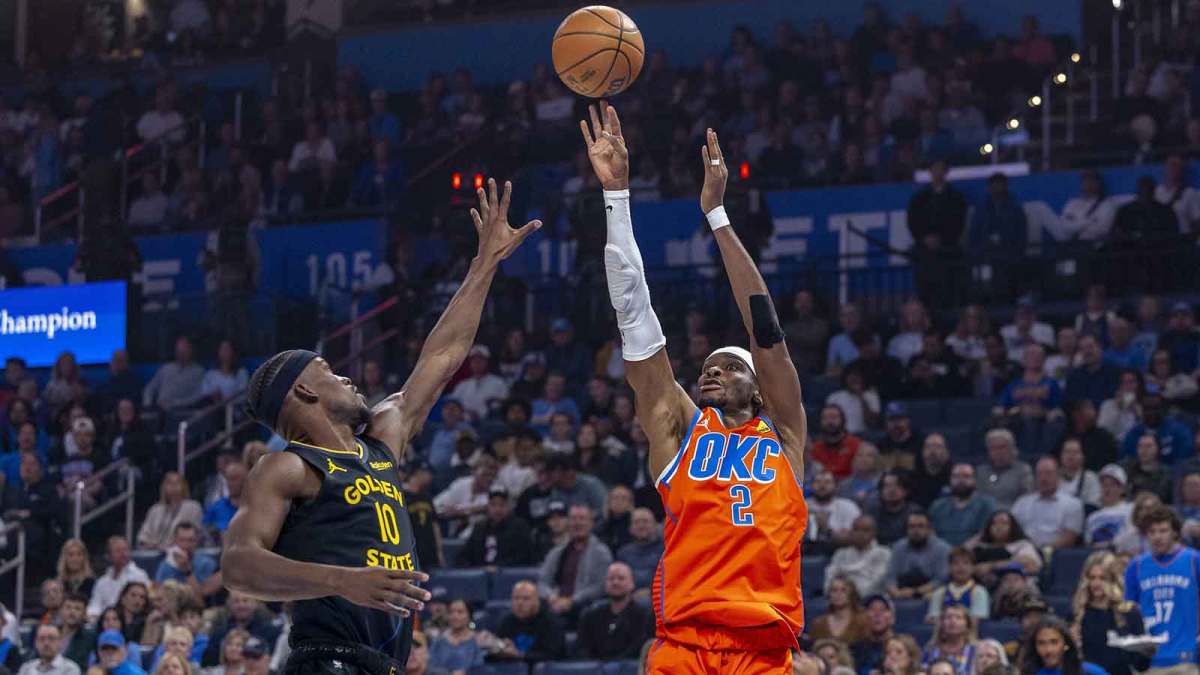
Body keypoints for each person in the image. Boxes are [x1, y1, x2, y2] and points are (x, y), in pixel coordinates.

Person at [221, 176, 540, 672]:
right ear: (303, 391)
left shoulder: (381, 441)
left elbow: (443, 355)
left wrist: (485, 264)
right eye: (328, 370)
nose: (346, 376)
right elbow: (238, 564)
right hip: (326, 660)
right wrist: (339, 580)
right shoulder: (287, 468)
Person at [583, 104, 808, 672]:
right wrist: (617, 198)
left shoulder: (783, 435)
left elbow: (766, 329)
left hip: (763, 647)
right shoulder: (683, 430)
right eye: (707, 365)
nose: (711, 371)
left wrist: (716, 215)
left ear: (758, 390)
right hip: (684, 645)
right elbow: (636, 320)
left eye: (729, 367)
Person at [1123, 506, 1200, 675]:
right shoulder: (1136, 567)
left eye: (1163, 530)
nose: (1157, 537)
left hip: (1187, 658)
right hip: (1150, 662)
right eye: (1152, 532)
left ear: (1175, 532)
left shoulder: (1194, 560)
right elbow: (1130, 611)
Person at [1072, 552, 1147, 675]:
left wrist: (1146, 651)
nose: (1096, 584)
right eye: (1092, 578)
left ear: (1114, 579)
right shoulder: (1078, 613)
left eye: (1102, 578)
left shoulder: (1130, 613)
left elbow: (1141, 665)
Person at [906, 159, 968, 307]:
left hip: (948, 251)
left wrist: (942, 239)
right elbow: (913, 222)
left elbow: (959, 222)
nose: (938, 173)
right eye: (935, 169)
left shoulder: (955, 198)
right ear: (930, 171)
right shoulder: (919, 198)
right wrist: (924, 238)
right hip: (924, 253)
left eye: (941, 169)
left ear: (946, 172)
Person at [536, 504, 612, 622]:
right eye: (573, 519)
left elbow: (601, 587)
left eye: (582, 519)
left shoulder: (601, 552)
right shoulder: (557, 552)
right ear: (568, 523)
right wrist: (551, 597)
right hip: (555, 604)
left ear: (591, 523)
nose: (577, 523)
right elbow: (542, 582)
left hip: (584, 607)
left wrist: (572, 601)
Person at [577, 562, 655, 659]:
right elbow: (582, 648)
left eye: (621, 578)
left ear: (632, 584)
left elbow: (639, 648)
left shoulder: (644, 616)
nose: (615, 582)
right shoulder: (590, 616)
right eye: (611, 579)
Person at [1012, 456, 1084, 548]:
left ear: (1058, 475)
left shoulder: (1073, 504)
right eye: (1040, 474)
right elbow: (1012, 532)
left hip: (1056, 555)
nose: (1043, 478)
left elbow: (1069, 538)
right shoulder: (1021, 503)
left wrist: (1042, 550)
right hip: (1023, 553)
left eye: (1048, 473)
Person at [491, 581, 566, 663]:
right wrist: (498, 646)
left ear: (537, 601)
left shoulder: (552, 622)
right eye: (516, 598)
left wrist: (520, 654)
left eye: (526, 599)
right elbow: (496, 650)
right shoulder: (506, 621)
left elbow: (553, 656)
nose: (520, 603)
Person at [459, 487, 534, 567]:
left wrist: (500, 567)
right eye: (493, 505)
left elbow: (525, 556)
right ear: (488, 507)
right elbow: (465, 555)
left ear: (508, 507)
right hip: (481, 574)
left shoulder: (520, 527)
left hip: (508, 575)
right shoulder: (479, 528)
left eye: (502, 505)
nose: (497, 509)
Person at [886, 510, 951, 600]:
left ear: (929, 529)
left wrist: (916, 592)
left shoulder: (942, 548)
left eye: (921, 526)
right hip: (901, 592)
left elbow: (941, 579)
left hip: (929, 593)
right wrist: (896, 593)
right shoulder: (898, 547)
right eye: (912, 527)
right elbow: (890, 577)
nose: (916, 531)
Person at [930, 464, 996, 546]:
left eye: (966, 476)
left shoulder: (986, 504)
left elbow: (984, 533)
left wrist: (962, 551)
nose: (960, 480)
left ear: (975, 480)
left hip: (975, 553)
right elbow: (931, 532)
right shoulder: (938, 506)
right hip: (941, 553)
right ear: (950, 480)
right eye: (956, 476)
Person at [825, 515, 891, 597]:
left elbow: (877, 583)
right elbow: (829, 579)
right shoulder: (840, 554)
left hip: (871, 599)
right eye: (856, 529)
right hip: (842, 598)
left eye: (865, 530)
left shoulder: (883, 553)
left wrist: (845, 572)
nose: (860, 534)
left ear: (874, 533)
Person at [137, 472, 204, 551]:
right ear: (163, 487)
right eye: (169, 483)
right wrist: (154, 546)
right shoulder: (155, 510)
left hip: (183, 552)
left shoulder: (193, 507)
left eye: (177, 483)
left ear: (184, 486)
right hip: (154, 552)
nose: (173, 486)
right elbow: (143, 536)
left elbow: (196, 535)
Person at [1020, 617, 1109, 675]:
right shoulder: (1030, 673)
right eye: (1041, 643)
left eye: (1054, 642)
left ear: (1066, 644)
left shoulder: (1090, 672)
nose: (1048, 650)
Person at [87, 537, 149, 620]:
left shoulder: (139, 575)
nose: (123, 554)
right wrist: (92, 615)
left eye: (125, 550)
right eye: (118, 551)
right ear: (109, 555)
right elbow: (95, 605)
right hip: (103, 621)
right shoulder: (102, 581)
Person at [976, 429, 1033, 509]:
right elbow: (978, 500)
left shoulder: (1023, 470)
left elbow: (1026, 499)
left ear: (1012, 448)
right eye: (993, 448)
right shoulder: (981, 471)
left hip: (1013, 515)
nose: (998, 452)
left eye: (1002, 447)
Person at [928, 548, 990, 621]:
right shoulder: (939, 593)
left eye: (966, 563)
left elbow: (978, 619)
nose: (961, 567)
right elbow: (932, 619)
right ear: (949, 568)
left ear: (973, 568)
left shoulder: (980, 592)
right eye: (956, 563)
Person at [426, 599, 483, 672]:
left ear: (469, 615)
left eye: (460, 612)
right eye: (451, 612)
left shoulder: (478, 639)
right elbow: (431, 665)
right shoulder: (438, 640)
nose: (455, 616)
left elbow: (480, 668)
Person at [1084, 465, 1134, 547]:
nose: (1107, 489)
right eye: (1104, 485)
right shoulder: (1092, 518)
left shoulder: (1132, 509)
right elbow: (1088, 544)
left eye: (1112, 485)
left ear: (1122, 489)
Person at [923, 605, 978, 675]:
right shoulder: (930, 650)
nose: (953, 621)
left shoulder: (977, 650)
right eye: (948, 617)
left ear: (967, 625)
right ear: (941, 624)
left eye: (958, 617)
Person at [809, 576, 866, 643]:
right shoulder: (818, 624)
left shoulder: (862, 622)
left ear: (851, 594)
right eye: (834, 590)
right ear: (829, 595)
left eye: (843, 590)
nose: (838, 594)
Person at [616, 507, 663, 588]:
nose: (641, 526)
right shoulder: (622, 553)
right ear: (630, 528)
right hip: (629, 596)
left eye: (645, 521)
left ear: (655, 525)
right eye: (636, 522)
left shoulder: (665, 551)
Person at [850, 594, 896, 675]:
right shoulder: (854, 650)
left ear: (892, 618)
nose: (877, 614)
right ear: (864, 617)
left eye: (883, 609)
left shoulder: (901, 649)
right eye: (872, 609)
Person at [59, 593, 94, 669]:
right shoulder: (50, 633)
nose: (72, 612)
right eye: (68, 607)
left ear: (84, 614)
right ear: (61, 611)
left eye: (77, 609)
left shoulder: (90, 637)